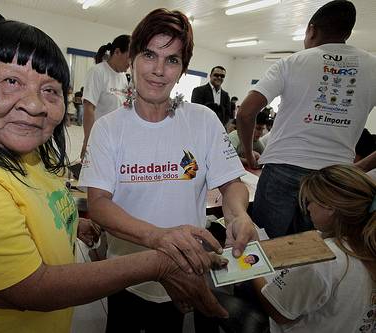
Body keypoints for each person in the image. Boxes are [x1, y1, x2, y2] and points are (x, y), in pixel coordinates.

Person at [0, 20, 230, 333]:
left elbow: (26, 203)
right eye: (12, 81)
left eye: (50, 90)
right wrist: (162, 261)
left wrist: (71, 221)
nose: (34, 104)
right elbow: (28, 288)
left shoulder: (24, 148)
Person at [79, 8, 257, 333]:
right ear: (132, 59)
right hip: (125, 274)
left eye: (172, 60)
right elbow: (99, 204)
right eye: (149, 55)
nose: (159, 70)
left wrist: (239, 216)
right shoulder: (109, 128)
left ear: (182, 69)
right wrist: (159, 237)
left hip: (184, 273)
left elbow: (231, 183)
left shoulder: (202, 121)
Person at [237, 0, 376, 238]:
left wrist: (250, 155)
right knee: (312, 252)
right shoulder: (373, 67)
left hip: (282, 170)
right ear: (348, 33)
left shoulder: (293, 62)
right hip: (333, 179)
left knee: (264, 246)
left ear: (311, 30)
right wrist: (361, 168)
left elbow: (246, 112)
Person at [251, 164, 376, 333]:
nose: (308, 208)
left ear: (330, 207)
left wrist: (253, 261)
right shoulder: (366, 245)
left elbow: (279, 311)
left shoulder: (325, 260)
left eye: (310, 201)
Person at [80, 34, 131, 160]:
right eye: (129, 57)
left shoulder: (123, 77)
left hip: (116, 139)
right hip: (99, 137)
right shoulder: (97, 72)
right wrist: (88, 141)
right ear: (117, 52)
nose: (131, 62)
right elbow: (89, 108)